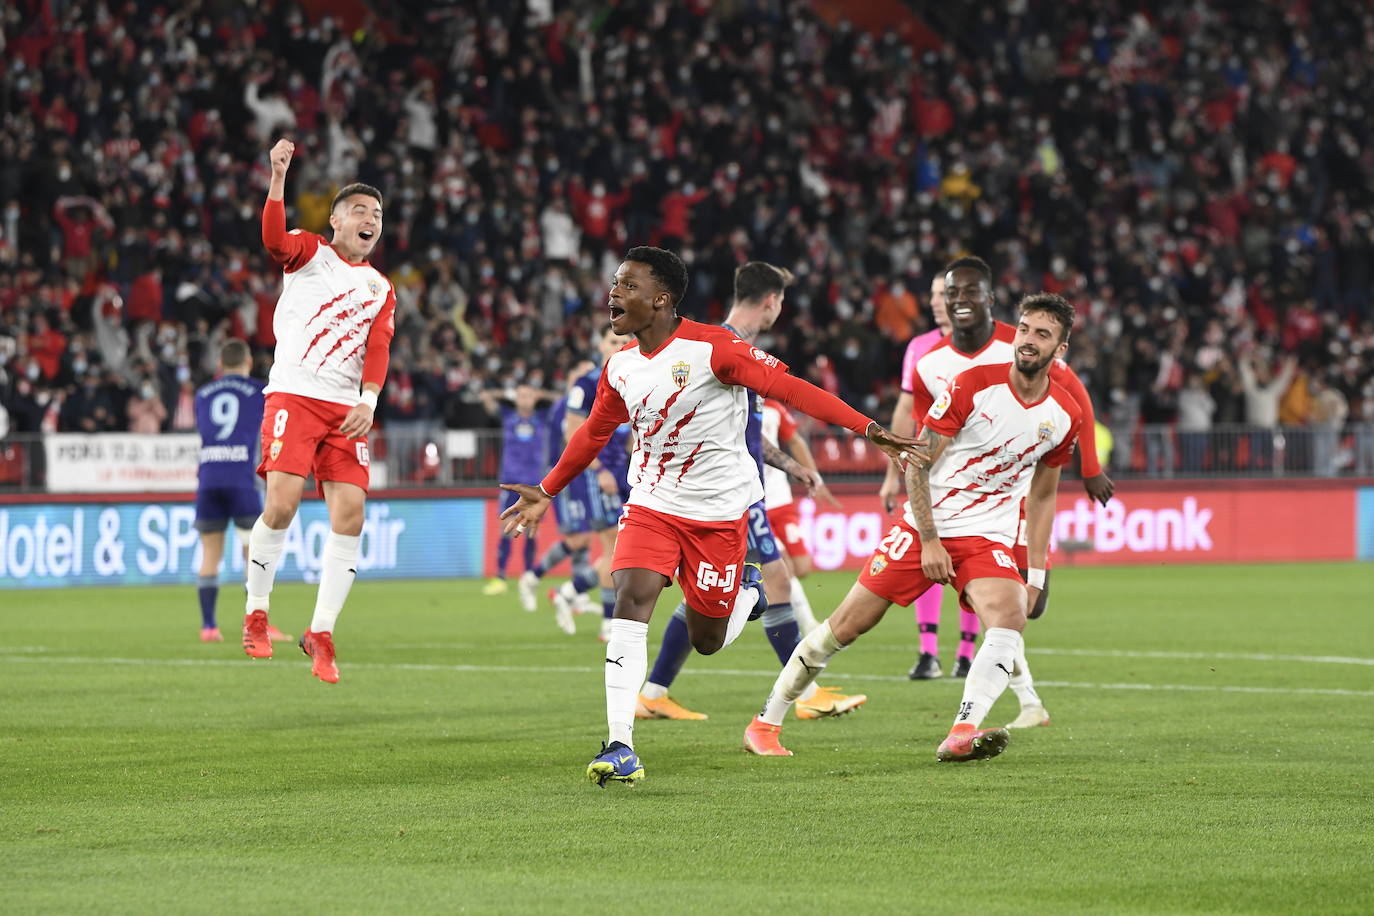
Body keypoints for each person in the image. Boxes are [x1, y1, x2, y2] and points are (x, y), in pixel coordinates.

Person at [500, 247, 915, 787]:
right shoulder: (620, 365)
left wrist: (869, 429)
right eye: (615, 283)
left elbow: (792, 389)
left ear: (661, 299)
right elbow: (594, 432)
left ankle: (747, 594)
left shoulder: (715, 348)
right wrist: (546, 489)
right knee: (631, 597)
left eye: (627, 285)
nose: (613, 293)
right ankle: (621, 744)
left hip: (718, 516)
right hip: (651, 505)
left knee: (707, 639)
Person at [743, 293, 1084, 762]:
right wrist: (929, 540)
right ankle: (765, 723)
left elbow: (1043, 496)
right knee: (847, 625)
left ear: (1060, 350)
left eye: (1042, 334)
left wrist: (1037, 575)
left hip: (987, 535)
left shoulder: (1065, 414)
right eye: (1024, 329)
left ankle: (962, 731)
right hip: (928, 525)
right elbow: (918, 463)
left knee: (1009, 618)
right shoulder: (972, 385)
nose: (1027, 340)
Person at [634, 262, 866, 723]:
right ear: (771, 302)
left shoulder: (728, 348)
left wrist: (793, 466)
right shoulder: (723, 347)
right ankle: (804, 693)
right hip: (729, 494)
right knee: (776, 581)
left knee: (709, 592)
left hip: (738, 490)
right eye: (781, 302)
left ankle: (654, 692)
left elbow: (745, 431)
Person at [891, 257, 1112, 681]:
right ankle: (943, 656)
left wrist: (1090, 467)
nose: (954, 301)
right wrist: (898, 475)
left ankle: (974, 659)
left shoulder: (1021, 341)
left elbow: (1076, 396)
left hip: (1016, 497)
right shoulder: (927, 358)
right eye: (947, 294)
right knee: (967, 585)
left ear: (988, 299)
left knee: (1031, 603)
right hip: (956, 496)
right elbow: (920, 428)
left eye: (966, 292)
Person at [241, 138, 396, 685]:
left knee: (350, 517)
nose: (370, 219)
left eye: (377, 214)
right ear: (335, 220)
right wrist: (278, 177)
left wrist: (369, 401)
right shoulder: (310, 252)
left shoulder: (380, 288)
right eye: (360, 210)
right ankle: (256, 612)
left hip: (346, 411)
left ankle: (322, 632)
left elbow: (378, 347)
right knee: (281, 505)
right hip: (293, 396)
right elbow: (272, 239)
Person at [193, 339, 286, 644]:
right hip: (242, 479)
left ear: (220, 364)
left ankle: (209, 627)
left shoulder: (202, 394)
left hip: (209, 478)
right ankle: (257, 626)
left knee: (210, 554)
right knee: (254, 554)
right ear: (248, 362)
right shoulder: (260, 391)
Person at [546, 326, 635, 641]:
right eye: (613, 341)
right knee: (614, 545)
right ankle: (609, 623)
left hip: (625, 472)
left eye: (625, 341)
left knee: (625, 548)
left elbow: (632, 432)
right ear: (600, 346)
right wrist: (599, 470)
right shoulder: (585, 384)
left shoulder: (634, 379)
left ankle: (570, 592)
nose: (619, 346)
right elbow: (573, 433)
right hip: (598, 474)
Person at [479, 384, 554, 597]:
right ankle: (500, 577)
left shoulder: (542, 417)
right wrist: (506, 393)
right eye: (520, 395)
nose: (524, 399)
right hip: (511, 481)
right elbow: (485, 396)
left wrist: (543, 394)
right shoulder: (508, 415)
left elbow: (563, 401)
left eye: (528, 395)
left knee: (531, 528)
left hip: (535, 483)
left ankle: (528, 576)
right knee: (505, 526)